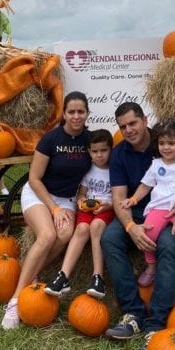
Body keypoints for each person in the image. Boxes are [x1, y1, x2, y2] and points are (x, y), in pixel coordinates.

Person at [100, 103, 175, 350]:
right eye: (123, 126)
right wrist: (131, 226)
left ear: (144, 120)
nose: (128, 130)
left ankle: (155, 324)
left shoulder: (166, 141)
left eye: (132, 123)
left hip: (169, 211)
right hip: (136, 212)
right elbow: (119, 196)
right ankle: (133, 314)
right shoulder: (120, 154)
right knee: (109, 238)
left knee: (168, 243)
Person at [1, 91, 92, 330]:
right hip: (40, 195)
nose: (76, 116)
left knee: (64, 235)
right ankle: (15, 299)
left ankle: (32, 275)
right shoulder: (51, 139)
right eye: (71, 111)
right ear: (63, 113)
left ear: (87, 113)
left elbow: (94, 173)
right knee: (48, 235)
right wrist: (53, 209)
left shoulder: (90, 141)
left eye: (80, 111)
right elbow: (34, 179)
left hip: (67, 199)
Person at [121, 119, 175, 293]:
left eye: (171, 143)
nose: (166, 147)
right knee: (147, 234)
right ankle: (151, 267)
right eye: (162, 143)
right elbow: (146, 185)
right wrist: (133, 199)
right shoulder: (156, 164)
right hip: (159, 207)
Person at [44, 128, 114, 299]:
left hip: (106, 210)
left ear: (111, 149)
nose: (99, 155)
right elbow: (81, 194)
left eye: (103, 150)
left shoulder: (115, 169)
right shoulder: (88, 169)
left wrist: (108, 206)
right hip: (88, 209)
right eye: (95, 151)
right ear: (89, 151)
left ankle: (98, 277)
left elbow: (119, 197)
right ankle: (63, 276)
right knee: (82, 228)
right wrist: (81, 202)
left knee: (96, 226)